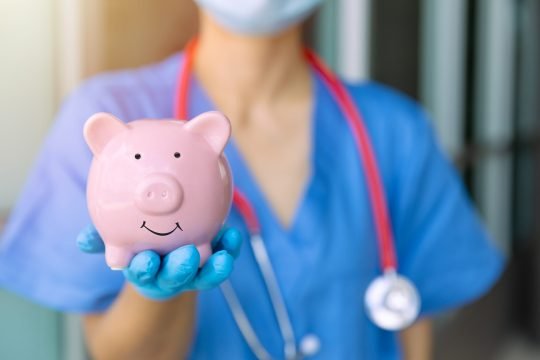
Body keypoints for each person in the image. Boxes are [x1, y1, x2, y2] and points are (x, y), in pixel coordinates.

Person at [0, 0, 503, 359]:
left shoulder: (394, 131)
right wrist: (160, 292)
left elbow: (412, 329)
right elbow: (121, 357)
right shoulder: (107, 118)